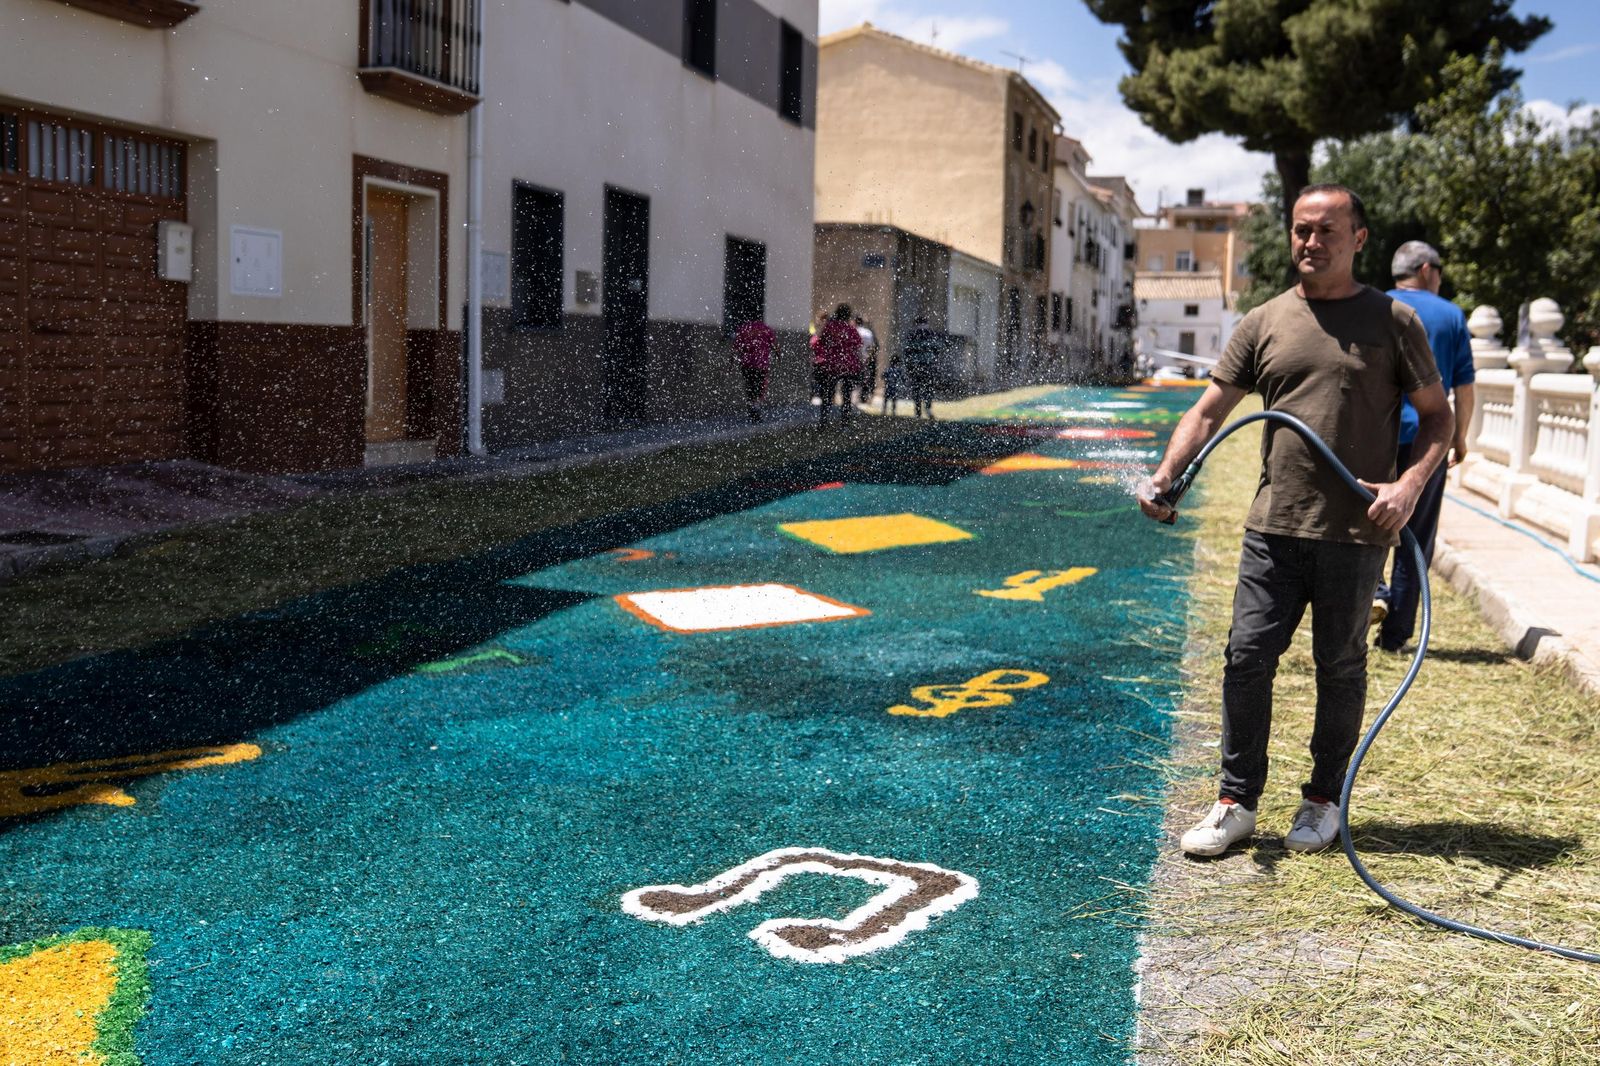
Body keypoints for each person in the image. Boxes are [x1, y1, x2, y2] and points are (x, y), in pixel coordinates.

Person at [1136, 185, 1453, 856]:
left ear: (1359, 238)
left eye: (1326, 230)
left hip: (1355, 534)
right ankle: (1235, 799)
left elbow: (1438, 419)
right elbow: (1207, 410)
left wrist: (1409, 486)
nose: (1311, 241)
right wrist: (1166, 476)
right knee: (1246, 659)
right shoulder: (1264, 320)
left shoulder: (1395, 321)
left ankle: (1321, 800)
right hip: (1273, 528)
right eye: (1301, 230)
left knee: (1340, 665)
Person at [1370, 241, 1476, 652]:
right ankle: (1395, 637)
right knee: (1416, 536)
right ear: (1427, 270)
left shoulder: (1374, 306)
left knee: (1368, 523)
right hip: (1427, 442)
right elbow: (1464, 389)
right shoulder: (1450, 315)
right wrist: (1460, 437)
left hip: (1375, 435)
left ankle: (1374, 593)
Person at [813, 305, 863, 427]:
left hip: (832, 365)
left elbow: (821, 341)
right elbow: (858, 345)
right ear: (848, 315)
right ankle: (844, 423)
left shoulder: (830, 327)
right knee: (847, 395)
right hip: (848, 365)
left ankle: (823, 421)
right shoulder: (851, 329)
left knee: (828, 394)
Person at [732, 319, 778, 423]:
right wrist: (779, 356)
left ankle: (752, 408)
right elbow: (774, 345)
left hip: (746, 364)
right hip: (761, 364)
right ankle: (755, 409)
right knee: (759, 387)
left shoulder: (743, 329)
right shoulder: (766, 329)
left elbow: (736, 347)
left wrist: (731, 363)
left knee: (750, 385)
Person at [903, 315, 940, 419]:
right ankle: (928, 408)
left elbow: (907, 351)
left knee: (916, 388)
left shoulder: (911, 334)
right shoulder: (931, 334)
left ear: (916, 323)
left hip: (915, 366)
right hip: (928, 366)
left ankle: (917, 410)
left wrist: (908, 366)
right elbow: (936, 350)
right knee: (928, 388)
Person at [855, 317, 879, 410]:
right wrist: (868, 357)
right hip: (866, 359)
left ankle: (856, 399)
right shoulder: (868, 332)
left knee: (856, 380)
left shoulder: (854, 331)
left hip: (855, 359)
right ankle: (863, 398)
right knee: (865, 379)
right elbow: (872, 347)